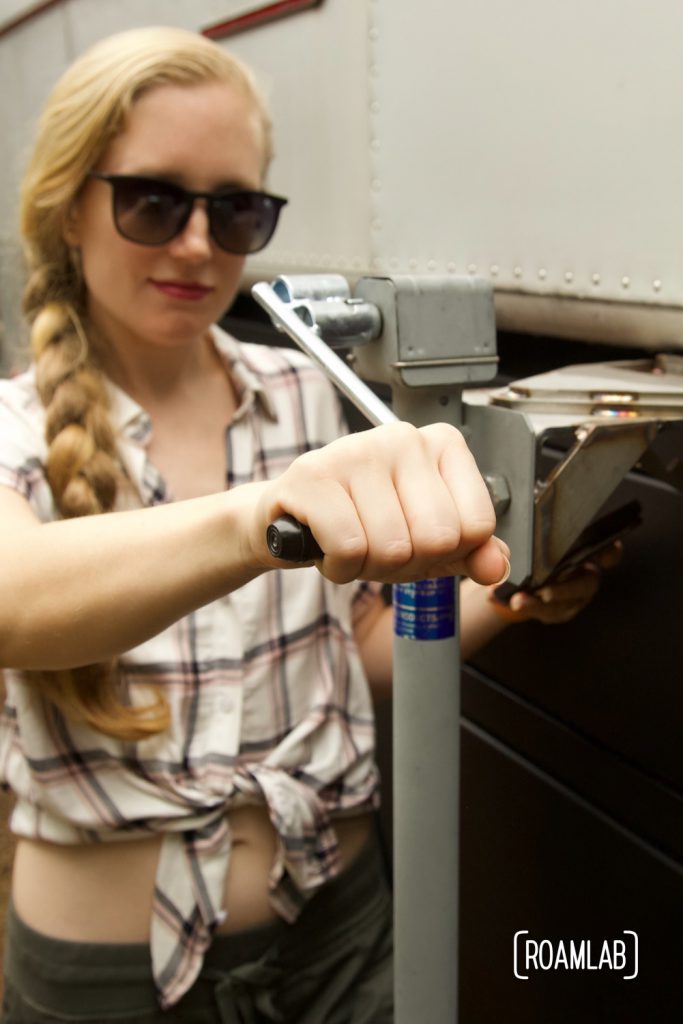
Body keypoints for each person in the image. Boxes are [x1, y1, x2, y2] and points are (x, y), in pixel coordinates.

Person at [0, 25, 613, 1023]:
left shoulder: (296, 387)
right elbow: (14, 602)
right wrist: (260, 517)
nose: (198, 244)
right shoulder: (15, 425)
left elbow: (360, 645)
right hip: (109, 982)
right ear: (70, 207)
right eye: (153, 200)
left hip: (337, 936)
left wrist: (509, 599)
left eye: (236, 210)